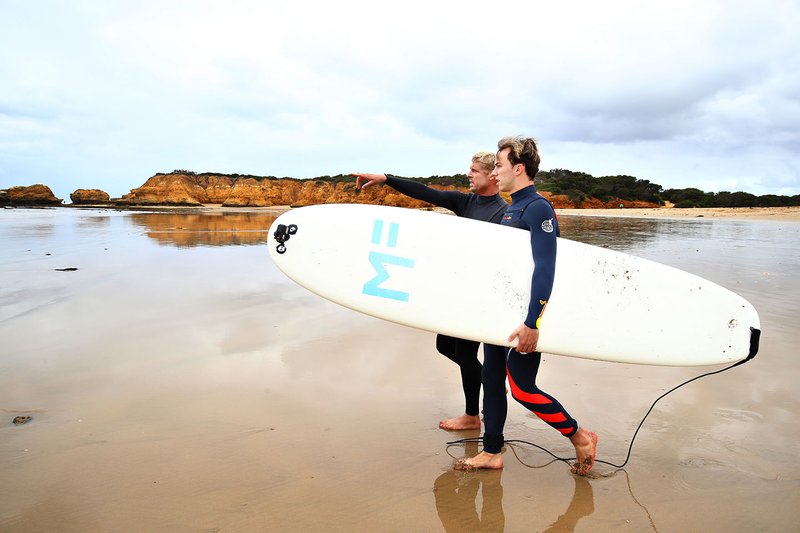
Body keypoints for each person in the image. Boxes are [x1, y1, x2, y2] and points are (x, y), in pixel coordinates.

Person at [456, 136, 598, 476]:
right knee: (491, 378)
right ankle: (491, 452)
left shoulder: (537, 208)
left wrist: (533, 321)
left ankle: (579, 436)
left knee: (521, 388)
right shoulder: (510, 209)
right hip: (501, 314)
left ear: (519, 168)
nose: (495, 173)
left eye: (500, 166)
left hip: (526, 316)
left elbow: (545, 266)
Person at [352, 152, 507, 431]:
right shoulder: (467, 201)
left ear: (491, 175)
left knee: (464, 351)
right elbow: (425, 192)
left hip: (479, 296)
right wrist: (387, 179)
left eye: (474, 170)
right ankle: (489, 383)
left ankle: (472, 415)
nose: (468, 174)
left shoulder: (502, 212)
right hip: (459, 292)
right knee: (446, 346)